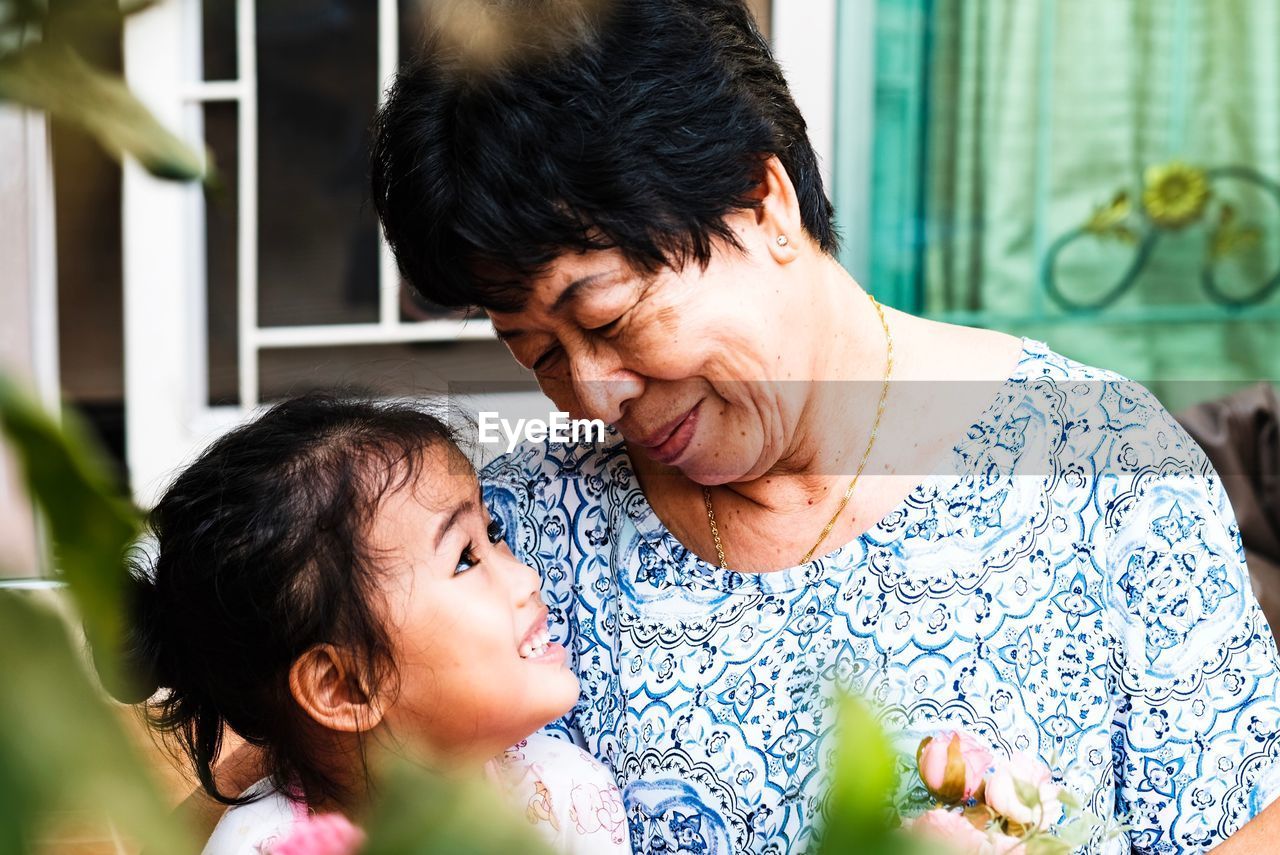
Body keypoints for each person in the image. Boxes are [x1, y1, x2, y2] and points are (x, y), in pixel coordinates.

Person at [368, 0, 1280, 852]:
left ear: (763, 203)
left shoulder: (1109, 473)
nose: (593, 393)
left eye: (605, 318)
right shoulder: (507, 550)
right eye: (538, 353)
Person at [100, 395, 630, 854]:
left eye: (492, 534)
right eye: (465, 558)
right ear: (342, 685)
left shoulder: (570, 797)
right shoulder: (259, 846)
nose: (527, 577)